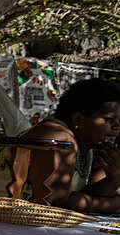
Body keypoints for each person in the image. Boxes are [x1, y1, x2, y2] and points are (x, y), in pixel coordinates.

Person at [17, 77, 120, 212]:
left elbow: (90, 196)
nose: (117, 127)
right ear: (78, 119)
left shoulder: (90, 146)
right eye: (110, 119)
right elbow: (56, 201)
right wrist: (114, 205)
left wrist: (115, 178)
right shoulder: (59, 136)